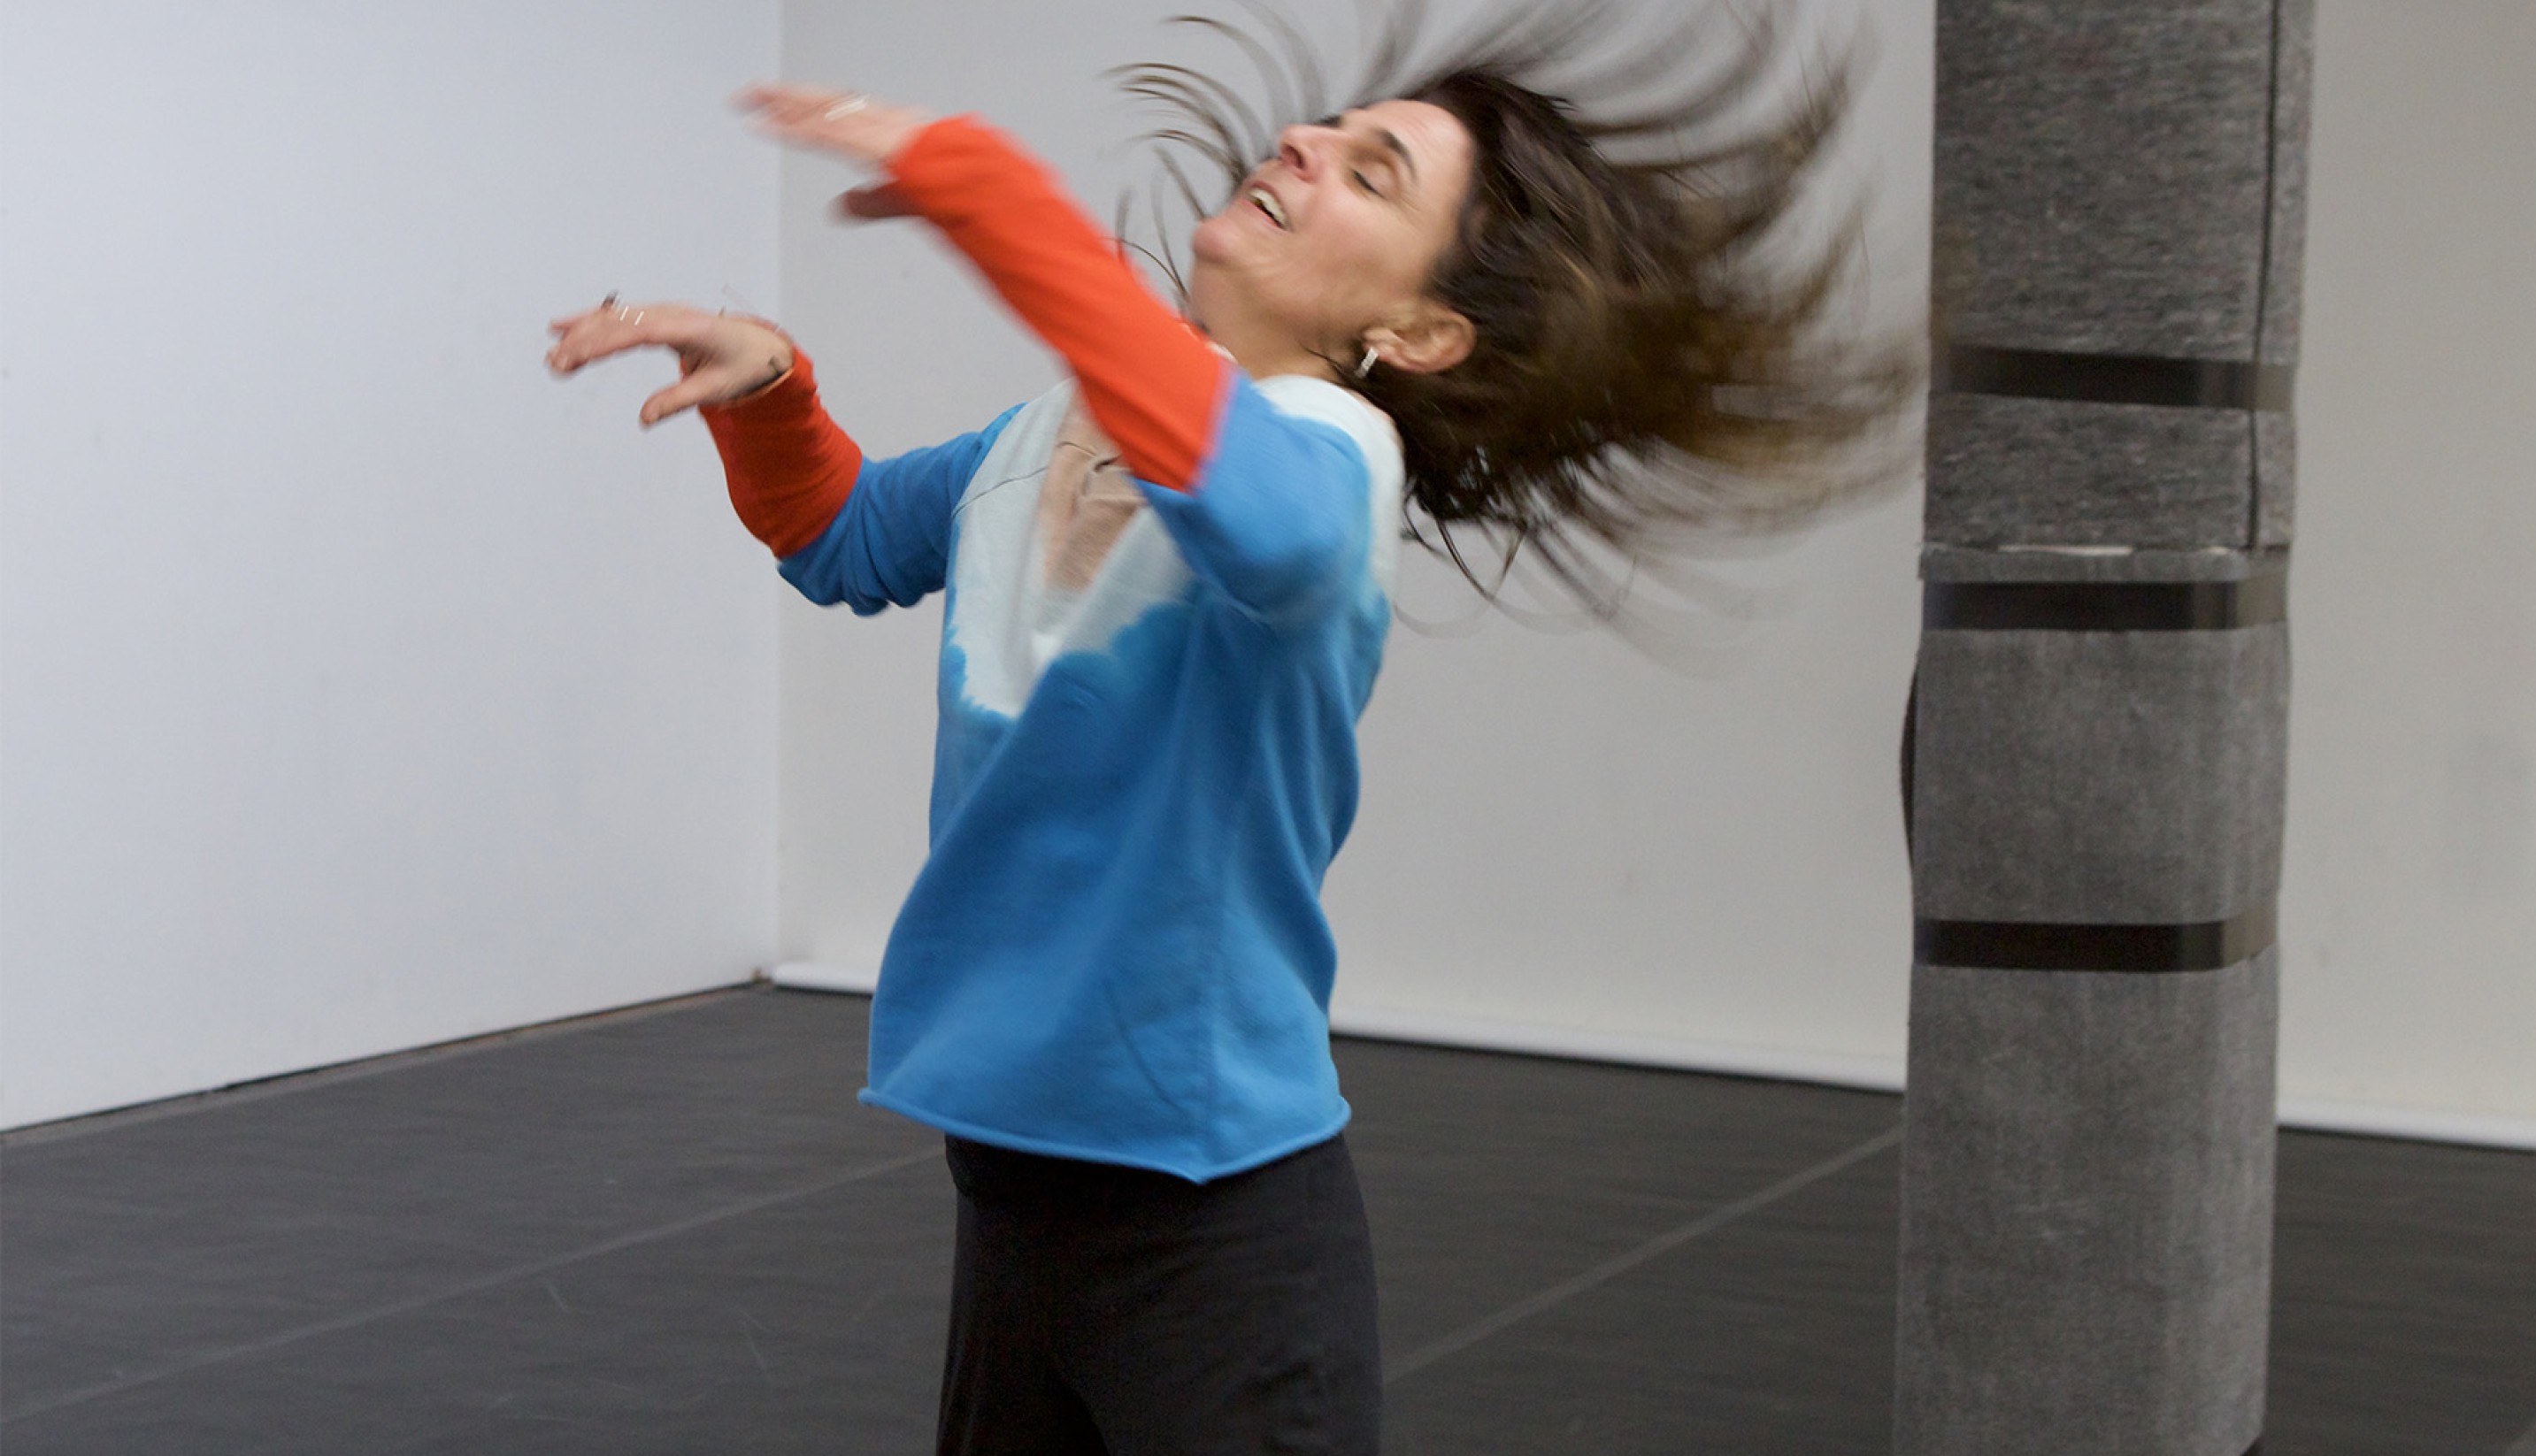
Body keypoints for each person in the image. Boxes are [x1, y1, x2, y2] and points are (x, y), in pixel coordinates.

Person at [546, 11, 1911, 1452]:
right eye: (1332, 131)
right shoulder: (1049, 432)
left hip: (1208, 1228)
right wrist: (770, 385)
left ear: (1416, 333)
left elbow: (1251, 510)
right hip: (1009, 1181)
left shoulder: (1333, 466)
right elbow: (847, 538)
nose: (1305, 142)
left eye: (1373, 175)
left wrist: (984, 187)